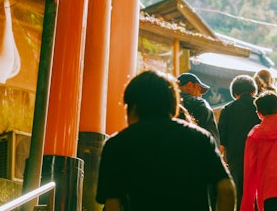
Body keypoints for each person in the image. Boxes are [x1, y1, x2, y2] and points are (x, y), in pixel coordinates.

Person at [96, 70, 235, 211]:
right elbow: (227, 190)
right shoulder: (200, 138)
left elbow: (112, 203)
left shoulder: (115, 145)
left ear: (133, 106)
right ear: (174, 105)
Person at [217, 75, 261, 210]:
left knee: (242, 196)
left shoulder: (227, 109)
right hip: (261, 157)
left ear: (235, 93)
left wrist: (220, 161)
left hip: (237, 160)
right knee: (261, 195)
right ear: (253, 91)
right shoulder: (261, 106)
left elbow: (222, 140)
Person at [178, 72, 221, 146]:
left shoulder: (167, 103)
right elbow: (212, 138)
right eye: (199, 89)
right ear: (189, 85)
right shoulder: (199, 104)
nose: (200, 95)